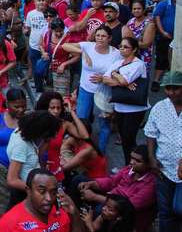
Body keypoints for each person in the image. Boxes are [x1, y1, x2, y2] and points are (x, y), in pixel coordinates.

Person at [76, 145, 157, 231]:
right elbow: (111, 181)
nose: (132, 162)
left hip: (124, 213)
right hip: (111, 198)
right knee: (79, 180)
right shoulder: (129, 169)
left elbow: (127, 206)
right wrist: (91, 184)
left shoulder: (151, 184)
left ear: (149, 164)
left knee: (100, 209)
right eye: (132, 158)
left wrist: (94, 197)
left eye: (138, 161)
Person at [97, 36, 149, 164]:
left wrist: (115, 74)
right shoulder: (118, 63)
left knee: (128, 139)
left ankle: (132, 165)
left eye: (126, 47)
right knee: (124, 139)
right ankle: (128, 167)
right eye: (120, 46)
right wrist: (120, 81)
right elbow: (103, 79)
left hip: (135, 108)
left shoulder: (138, 64)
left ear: (134, 49)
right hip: (120, 106)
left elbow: (124, 80)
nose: (122, 49)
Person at [144, 70, 182, 232]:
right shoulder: (160, 107)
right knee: (165, 211)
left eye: (176, 88)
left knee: (178, 208)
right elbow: (151, 134)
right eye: (168, 88)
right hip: (163, 168)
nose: (171, 92)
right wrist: (151, 158)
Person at [5, 110, 61, 210]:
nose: (54, 136)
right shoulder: (21, 145)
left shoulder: (22, 133)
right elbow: (12, 180)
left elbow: (36, 153)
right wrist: (36, 191)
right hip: (24, 195)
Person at [0, 168, 82, 232]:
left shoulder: (61, 212)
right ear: (28, 190)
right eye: (42, 191)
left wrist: (75, 214)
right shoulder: (9, 224)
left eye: (53, 192)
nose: (49, 198)